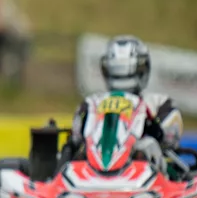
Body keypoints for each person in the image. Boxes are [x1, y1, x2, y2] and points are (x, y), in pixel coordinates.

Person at [60, 36, 185, 177]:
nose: (123, 76)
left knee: (148, 144)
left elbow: (169, 143)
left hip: (144, 168)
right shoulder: (91, 104)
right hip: (92, 167)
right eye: (117, 70)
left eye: (127, 70)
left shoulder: (160, 104)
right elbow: (75, 140)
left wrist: (152, 128)